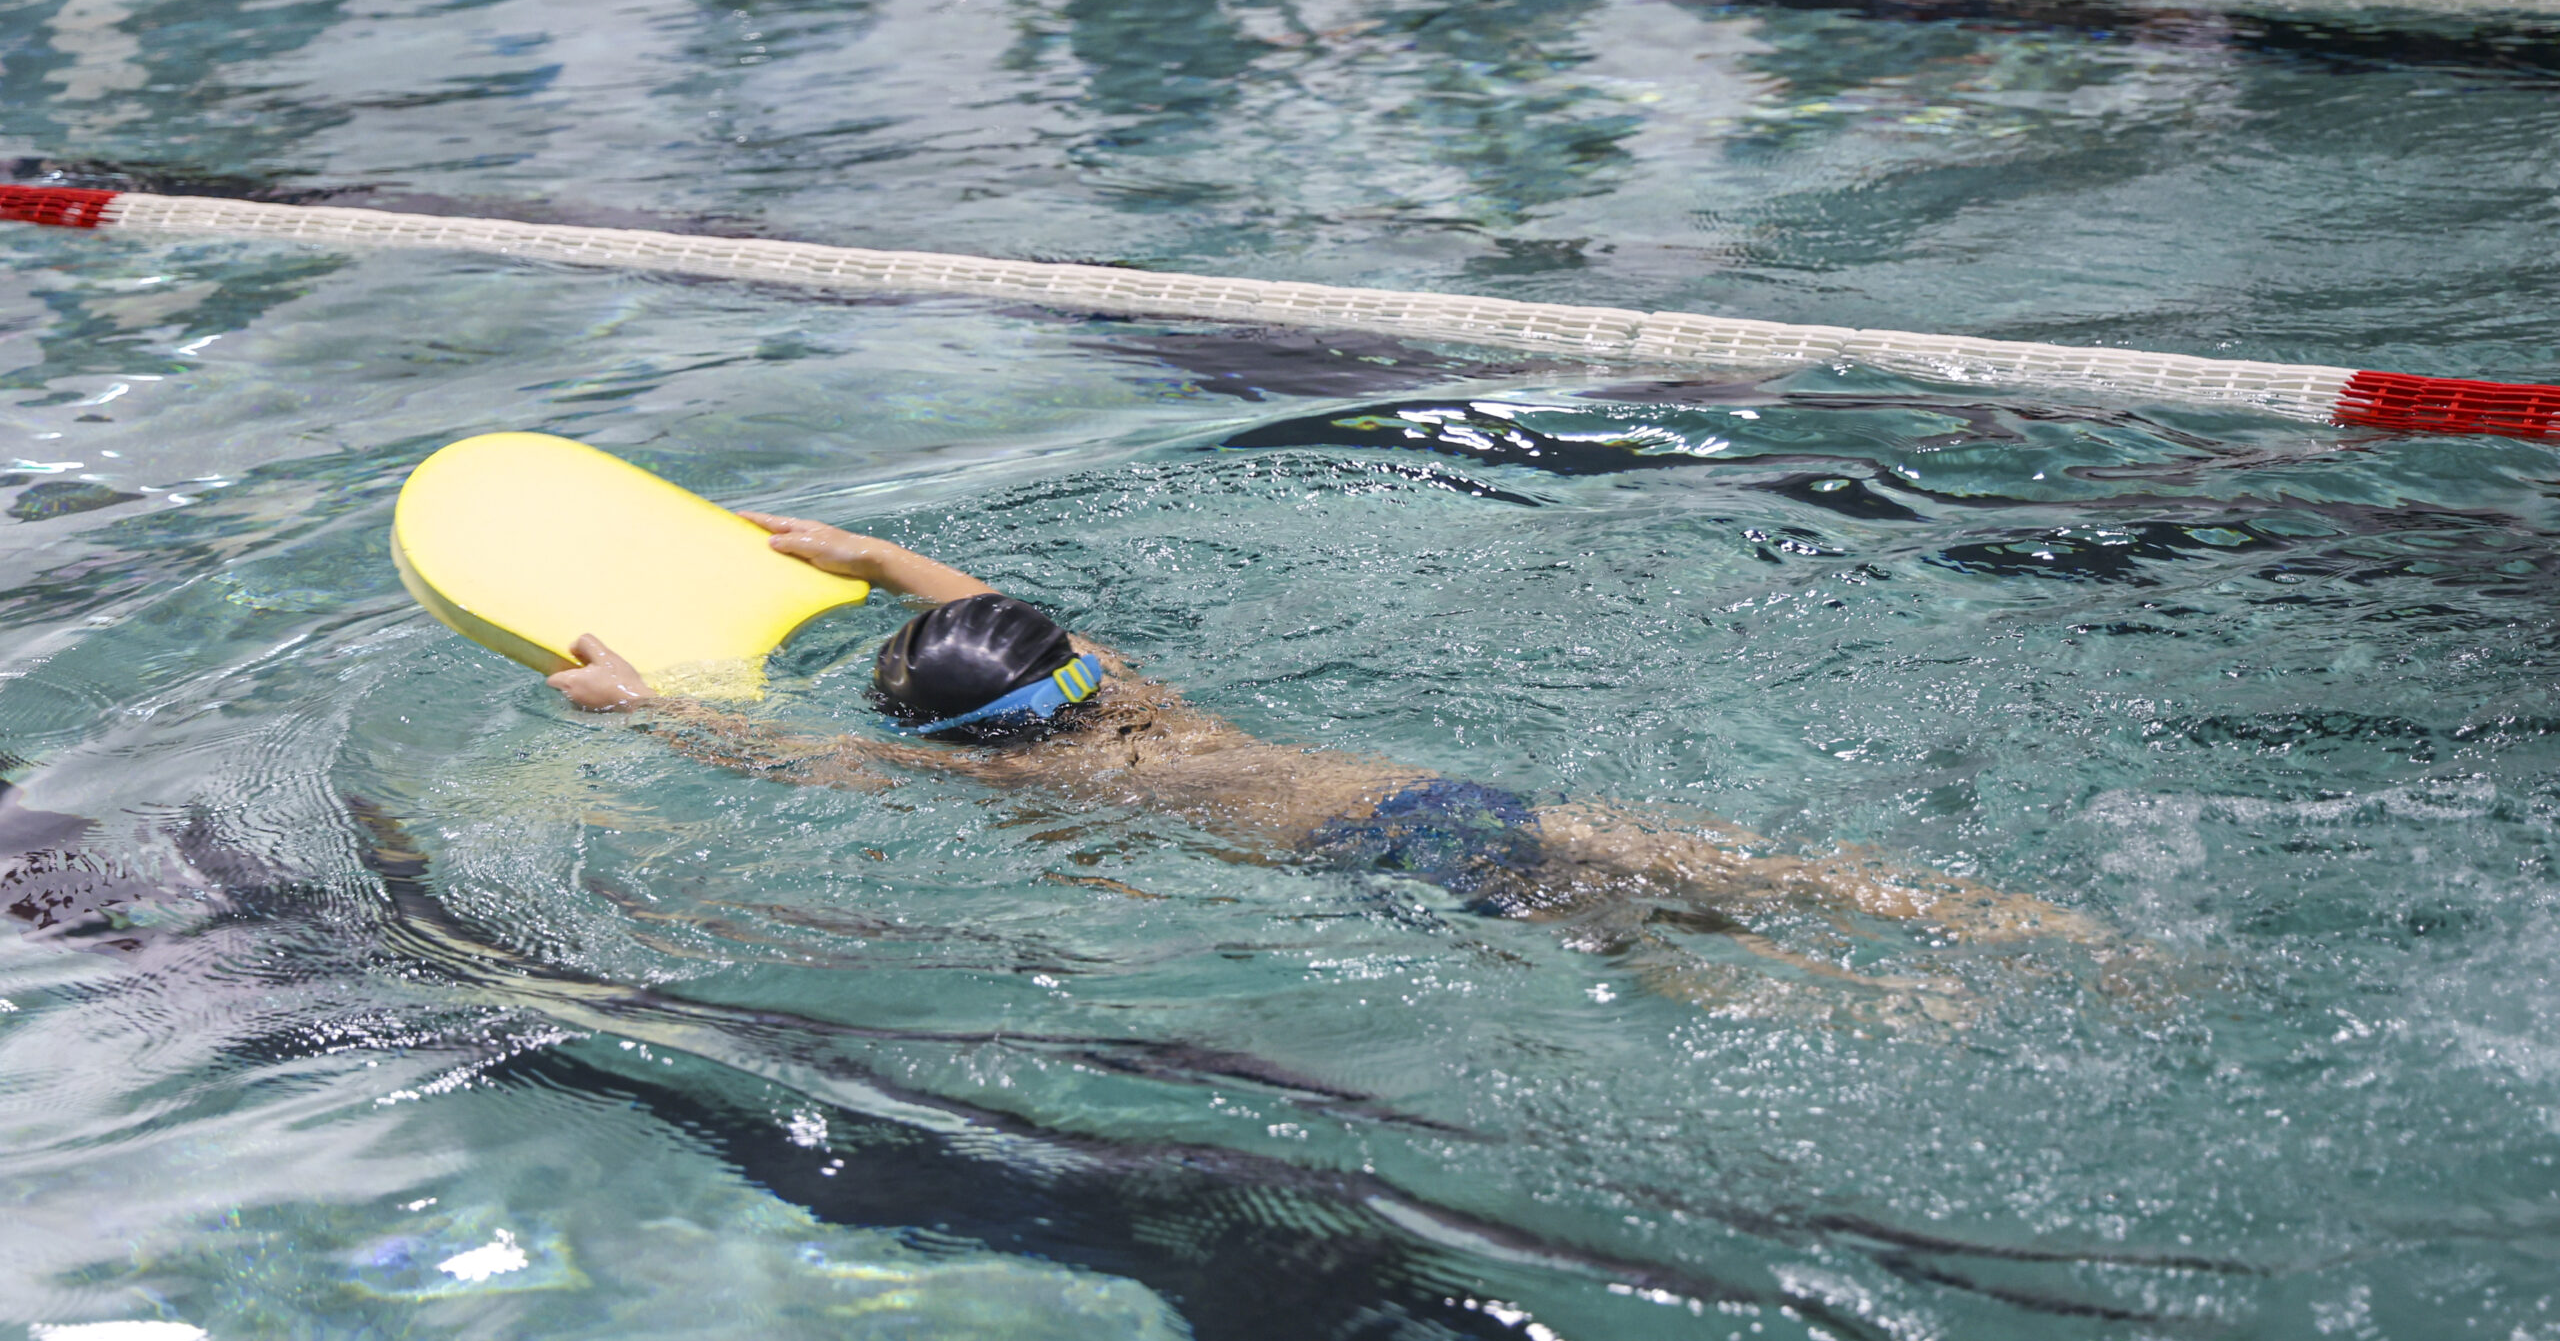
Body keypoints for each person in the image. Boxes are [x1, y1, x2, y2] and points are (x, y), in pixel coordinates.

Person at [546, 511, 2107, 1005]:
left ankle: (1894, 1014)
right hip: (1437, 796)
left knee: (1672, 957)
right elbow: (999, 609)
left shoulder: (1001, 774)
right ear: (1066, 668)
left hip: (1387, 855)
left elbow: (785, 765)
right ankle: (2042, 935)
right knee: (1746, 871)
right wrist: (877, 558)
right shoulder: (1134, 694)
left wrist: (640, 704)